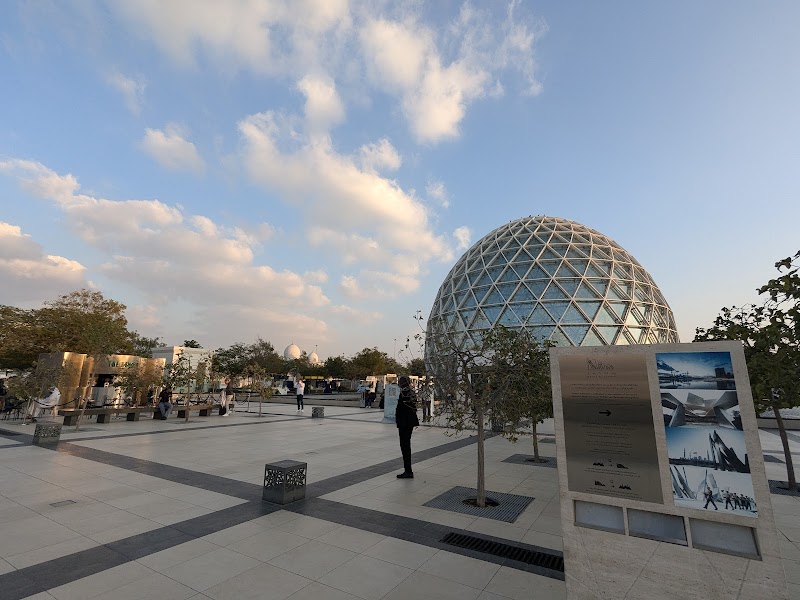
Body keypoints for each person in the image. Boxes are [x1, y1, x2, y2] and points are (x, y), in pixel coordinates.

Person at [395, 375, 420, 479]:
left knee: (405, 446)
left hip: (405, 423)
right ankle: (408, 469)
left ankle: (408, 471)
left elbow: (401, 409)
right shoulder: (411, 392)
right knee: (406, 445)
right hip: (409, 422)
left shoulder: (404, 393)